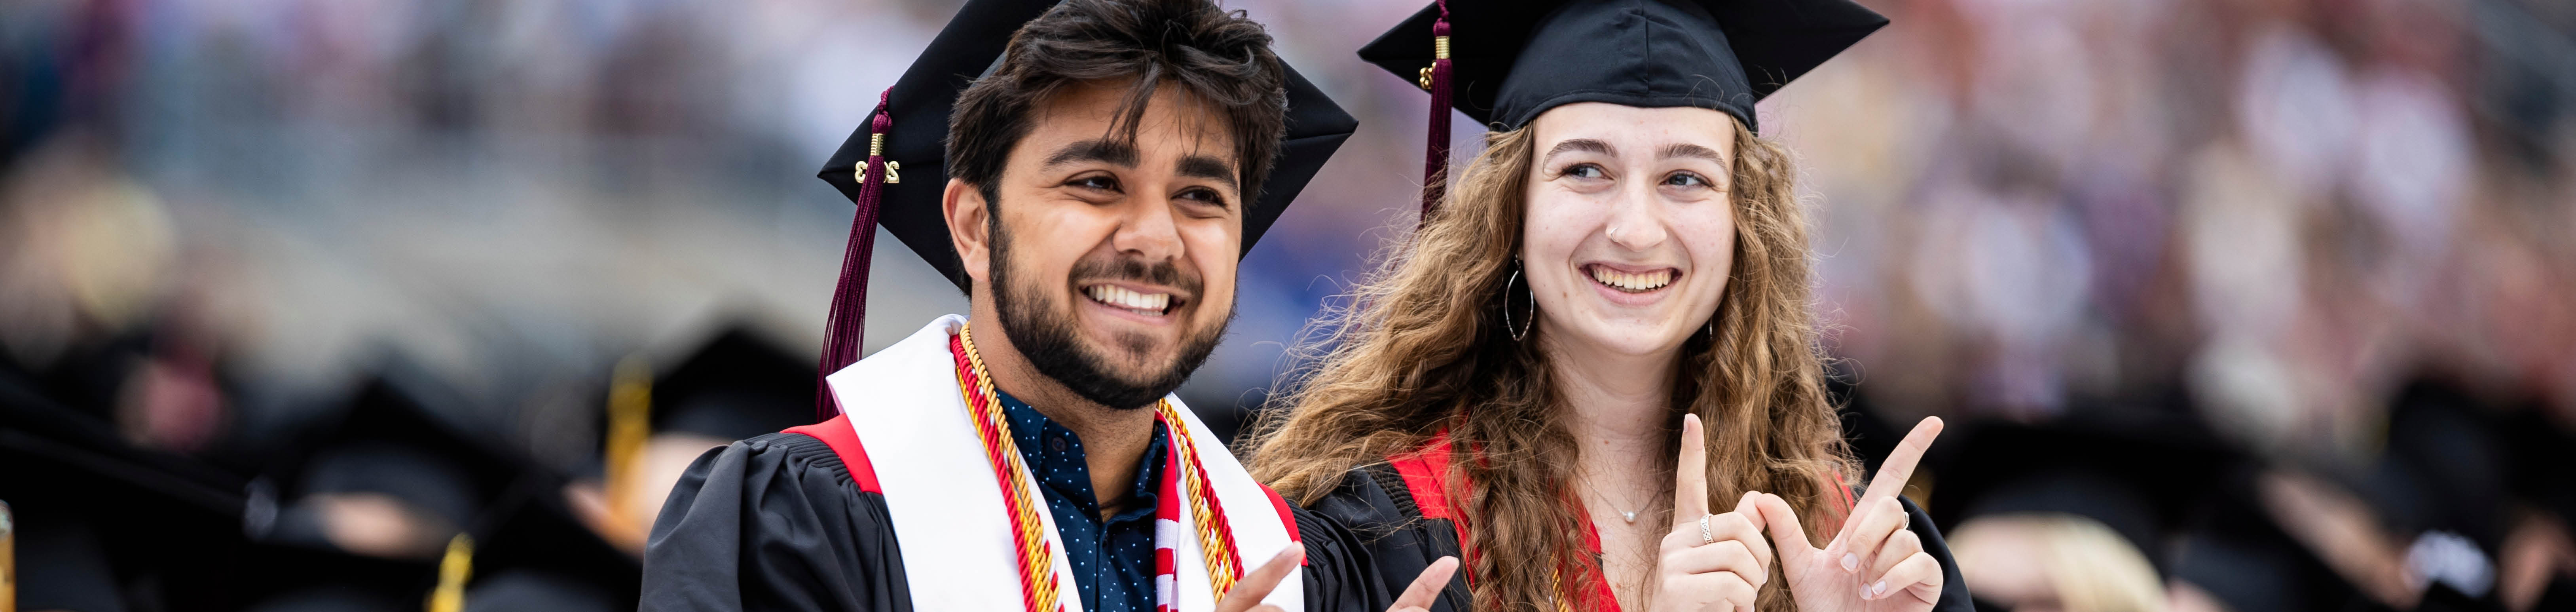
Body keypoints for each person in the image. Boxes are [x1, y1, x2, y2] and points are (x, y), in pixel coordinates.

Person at [641, 0, 1457, 610]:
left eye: (1201, 196)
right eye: (1097, 183)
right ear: (973, 224)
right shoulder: (805, 520)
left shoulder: (1300, 564)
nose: (1154, 238)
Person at [1246, 0, 1973, 610]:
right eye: (1585, 169)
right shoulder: (1387, 533)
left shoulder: (1839, 543)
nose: (1633, 228)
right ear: (1512, 212)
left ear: (1743, 223)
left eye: (1685, 177)